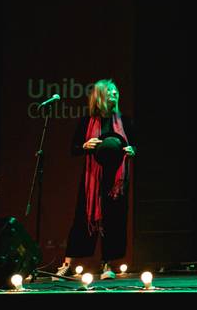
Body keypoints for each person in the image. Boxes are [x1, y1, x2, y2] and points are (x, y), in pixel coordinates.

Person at [55, 79, 135, 280]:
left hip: (116, 181)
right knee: (83, 219)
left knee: (114, 220)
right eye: (109, 91)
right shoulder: (86, 121)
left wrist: (132, 150)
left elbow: (134, 145)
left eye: (116, 91)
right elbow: (73, 149)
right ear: (99, 95)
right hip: (92, 179)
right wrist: (85, 145)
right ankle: (67, 264)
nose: (114, 93)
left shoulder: (124, 120)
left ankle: (107, 263)